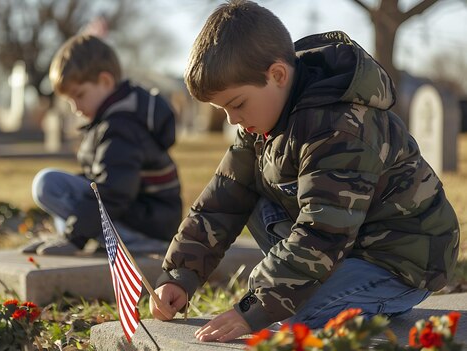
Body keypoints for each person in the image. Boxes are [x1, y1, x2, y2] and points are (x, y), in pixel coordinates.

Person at [150, 0, 460, 343]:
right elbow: (221, 200)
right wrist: (179, 275)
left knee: (297, 316)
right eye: (223, 109)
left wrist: (254, 306)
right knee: (245, 191)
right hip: (344, 244)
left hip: (400, 261)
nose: (232, 119)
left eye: (236, 104)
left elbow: (322, 231)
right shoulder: (259, 126)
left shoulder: (340, 127)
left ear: (278, 75)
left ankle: (373, 296)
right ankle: (330, 286)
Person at [27, 34, 183, 255]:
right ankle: (82, 235)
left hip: (148, 227)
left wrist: (75, 238)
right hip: (146, 218)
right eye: (70, 101)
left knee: (48, 184)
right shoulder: (114, 121)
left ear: (105, 82)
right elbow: (107, 181)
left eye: (79, 95)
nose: (75, 108)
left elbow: (113, 191)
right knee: (69, 185)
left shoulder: (121, 127)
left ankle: (133, 243)